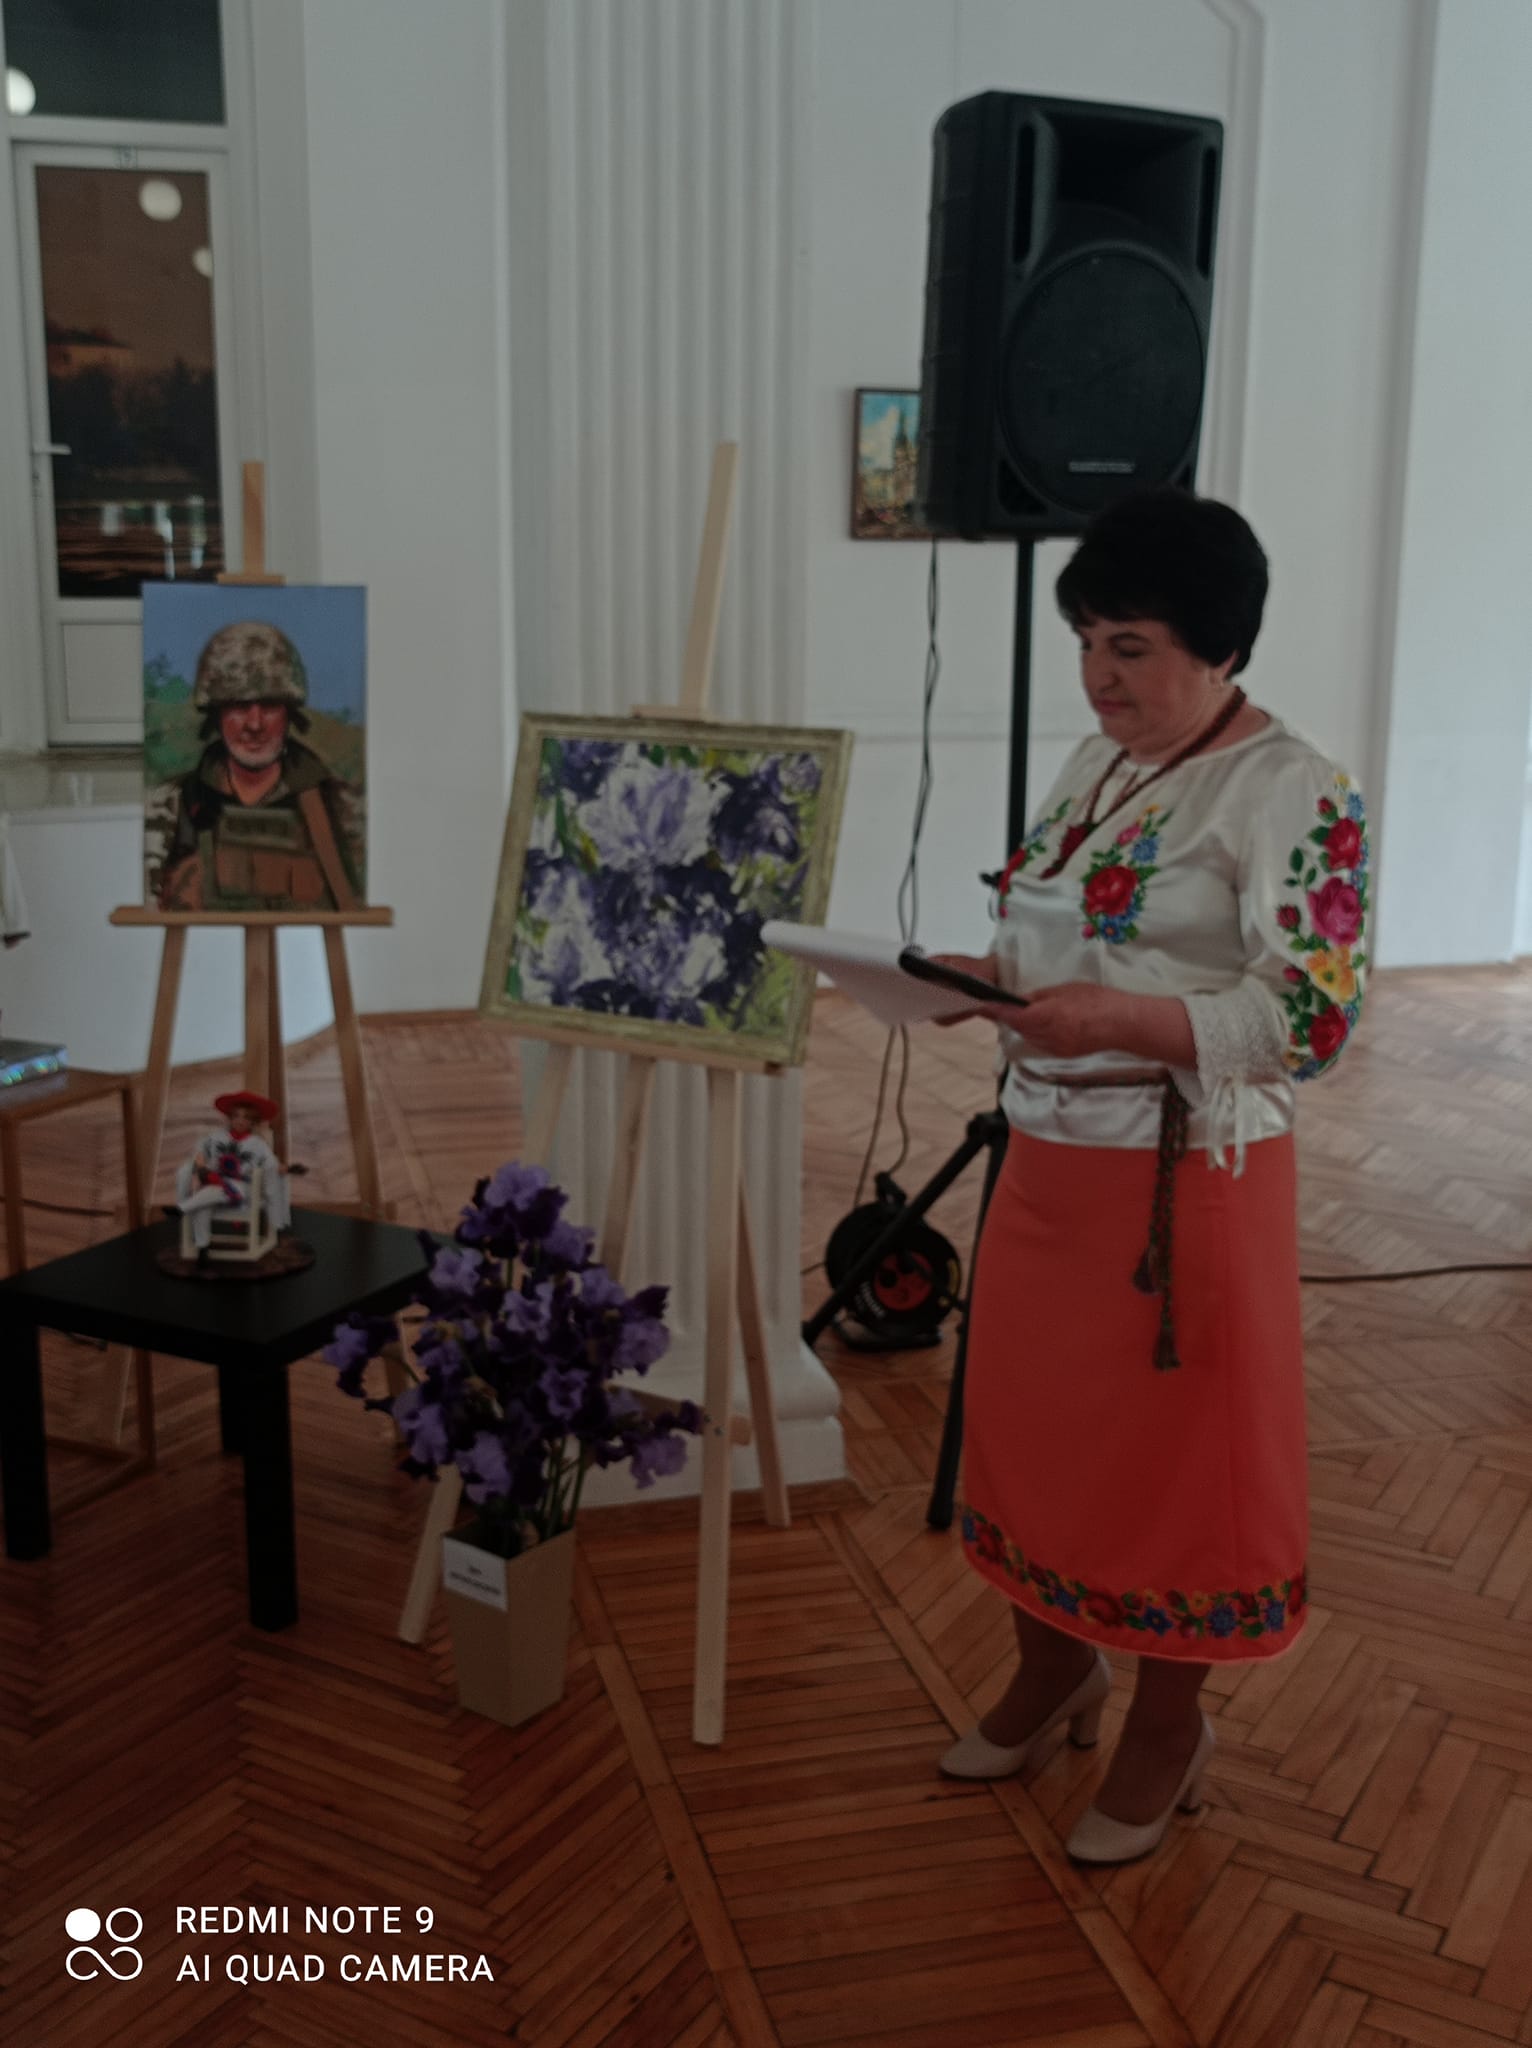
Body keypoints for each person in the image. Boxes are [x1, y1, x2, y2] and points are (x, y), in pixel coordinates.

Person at [929, 487, 1368, 1865]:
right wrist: (978, 980)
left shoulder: (1288, 785)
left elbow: (1314, 1018)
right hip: (1048, 1164)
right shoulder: (1097, 760)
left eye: (1129, 646)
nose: (1096, 676)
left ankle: (1169, 1726)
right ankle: (1055, 1666)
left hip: (1183, 1184)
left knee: (1173, 1465)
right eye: (1085, 642)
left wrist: (1117, 1019)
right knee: (1033, 1432)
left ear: (1220, 646)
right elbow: (1057, 943)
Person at [144, 620, 365, 911]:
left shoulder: (343, 808)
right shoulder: (168, 809)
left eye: (270, 706)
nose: (255, 724)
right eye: (239, 706)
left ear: (289, 714)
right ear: (217, 714)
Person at [168, 1091, 292, 1263]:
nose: (240, 1121)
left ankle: (181, 1208)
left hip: (243, 1186)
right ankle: (203, 1248)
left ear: (253, 1121)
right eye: (236, 1116)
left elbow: (270, 1164)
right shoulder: (217, 1137)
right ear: (230, 1118)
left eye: (246, 1118)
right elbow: (200, 1152)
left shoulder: (258, 1144)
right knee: (203, 1205)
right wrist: (201, 1164)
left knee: (215, 1191)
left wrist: (283, 1168)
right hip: (215, 1180)